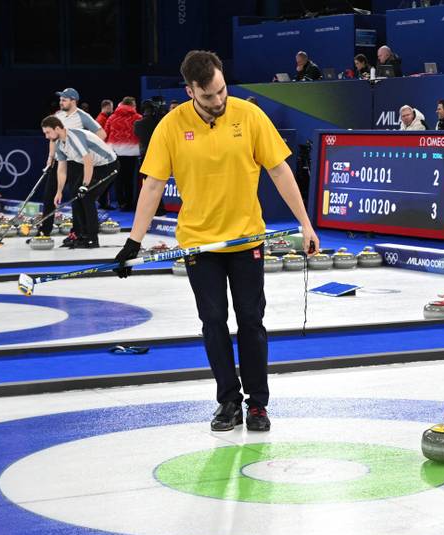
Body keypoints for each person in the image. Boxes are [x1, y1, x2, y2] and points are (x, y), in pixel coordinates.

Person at [113, 50, 320, 433]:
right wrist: (133, 242)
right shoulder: (171, 126)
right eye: (208, 96)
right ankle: (228, 401)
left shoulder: (249, 115)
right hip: (200, 244)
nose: (218, 100)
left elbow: (279, 171)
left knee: (252, 321)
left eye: (222, 90)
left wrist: (306, 224)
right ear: (190, 90)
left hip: (246, 239)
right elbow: (153, 185)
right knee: (213, 322)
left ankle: (258, 404)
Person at [41, 87, 107, 245]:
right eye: (60, 99)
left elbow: (102, 134)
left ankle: (77, 233)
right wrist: (50, 157)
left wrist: (85, 150)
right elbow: (53, 139)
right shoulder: (58, 116)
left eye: (64, 100)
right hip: (60, 159)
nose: (61, 102)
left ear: (73, 101)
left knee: (76, 198)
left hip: (76, 162)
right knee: (49, 196)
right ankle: (44, 231)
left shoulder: (83, 116)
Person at [40, 116, 118, 249]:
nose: (47, 136)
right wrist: (59, 191)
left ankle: (92, 239)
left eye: (48, 132)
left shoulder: (75, 138)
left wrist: (85, 186)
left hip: (108, 165)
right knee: (75, 195)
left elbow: (88, 162)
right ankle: (81, 235)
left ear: (57, 128)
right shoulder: (59, 143)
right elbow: (62, 169)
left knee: (87, 197)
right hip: (94, 166)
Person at [105, 97, 142, 211]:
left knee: (118, 179)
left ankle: (121, 203)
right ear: (132, 105)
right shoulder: (138, 118)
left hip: (115, 152)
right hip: (131, 152)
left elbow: (105, 133)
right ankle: (130, 204)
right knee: (130, 180)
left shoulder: (112, 118)